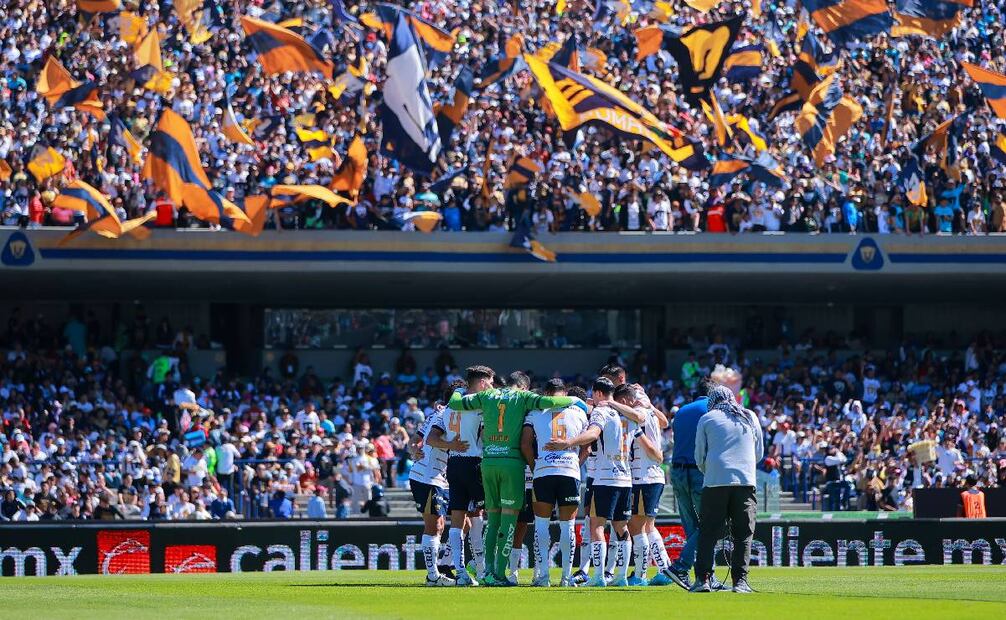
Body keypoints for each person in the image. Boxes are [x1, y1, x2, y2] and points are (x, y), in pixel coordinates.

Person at [449, 366, 584, 587]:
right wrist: (576, 401)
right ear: (522, 386)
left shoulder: (487, 395)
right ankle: (499, 574)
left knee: (492, 520)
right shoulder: (523, 396)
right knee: (509, 520)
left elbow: (455, 403)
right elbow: (550, 402)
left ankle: (487, 571)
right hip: (511, 463)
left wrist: (459, 390)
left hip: (488, 462)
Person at [545, 377, 635, 587]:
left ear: (598, 393)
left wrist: (568, 442)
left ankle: (598, 577)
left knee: (596, 525)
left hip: (605, 478)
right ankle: (621, 576)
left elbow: (593, 433)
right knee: (621, 527)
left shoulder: (600, 412)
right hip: (625, 478)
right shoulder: (626, 413)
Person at [691, 385, 763, 594]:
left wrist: (710, 471)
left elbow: (699, 455)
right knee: (743, 534)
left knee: (708, 533)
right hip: (745, 482)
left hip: (715, 481)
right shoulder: (750, 416)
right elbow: (758, 453)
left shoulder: (707, 418)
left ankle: (703, 580)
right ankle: (740, 582)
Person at [521, 379, 589, 587]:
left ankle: (543, 576)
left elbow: (525, 444)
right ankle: (566, 578)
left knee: (541, 525)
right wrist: (575, 465)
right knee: (568, 526)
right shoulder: (579, 412)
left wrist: (535, 466)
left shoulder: (535, 412)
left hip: (544, 472)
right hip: (569, 471)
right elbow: (587, 447)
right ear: (565, 393)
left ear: (546, 393)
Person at [424, 380, 486, 585]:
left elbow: (425, 438)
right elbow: (485, 435)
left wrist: (449, 445)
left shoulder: (444, 412)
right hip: (471, 463)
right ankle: (481, 567)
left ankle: (459, 571)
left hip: (452, 466)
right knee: (484, 514)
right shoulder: (476, 408)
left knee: (460, 520)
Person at [407, 399, 454, 586]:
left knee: (440, 525)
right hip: (426, 477)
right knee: (433, 525)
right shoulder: (443, 415)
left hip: (438, 477)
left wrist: (413, 450)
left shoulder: (436, 414)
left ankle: (438, 570)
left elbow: (414, 441)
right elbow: (420, 441)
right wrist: (414, 452)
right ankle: (432, 575)